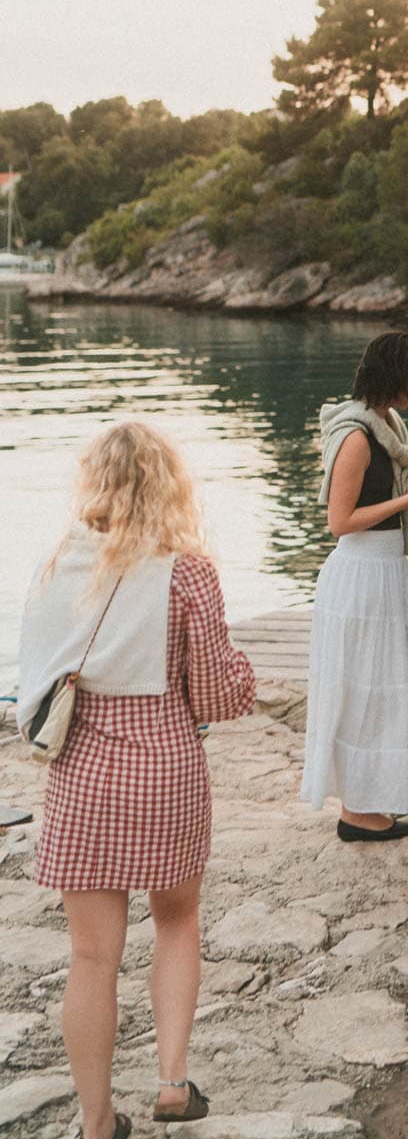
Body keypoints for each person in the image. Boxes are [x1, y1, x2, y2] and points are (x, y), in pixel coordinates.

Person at [18, 421, 257, 1137]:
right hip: (164, 768)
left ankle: (97, 1123)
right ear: (168, 483)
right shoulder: (187, 570)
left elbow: (38, 680)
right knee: (177, 920)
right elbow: (216, 695)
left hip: (83, 772)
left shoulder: (60, 561)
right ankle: (173, 1084)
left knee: (91, 956)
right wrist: (244, 677)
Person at [300, 331, 408, 840]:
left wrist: (406, 496)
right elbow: (339, 521)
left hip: (392, 569)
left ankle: (388, 783)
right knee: (367, 694)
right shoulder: (355, 436)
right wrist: (406, 502)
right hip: (362, 574)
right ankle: (358, 812)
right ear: (393, 376)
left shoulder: (387, 423)